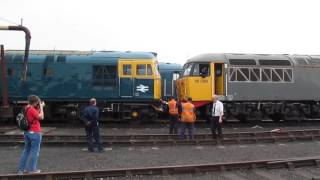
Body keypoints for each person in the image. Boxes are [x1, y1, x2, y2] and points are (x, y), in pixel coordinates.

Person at [18, 95, 45, 174]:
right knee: (35, 151)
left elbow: (34, 115)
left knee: (26, 150)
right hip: (35, 132)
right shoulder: (32, 109)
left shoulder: (26, 108)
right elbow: (41, 117)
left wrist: (39, 107)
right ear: (35, 102)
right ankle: (32, 170)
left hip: (27, 132)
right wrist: (42, 107)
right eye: (37, 103)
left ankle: (21, 169)